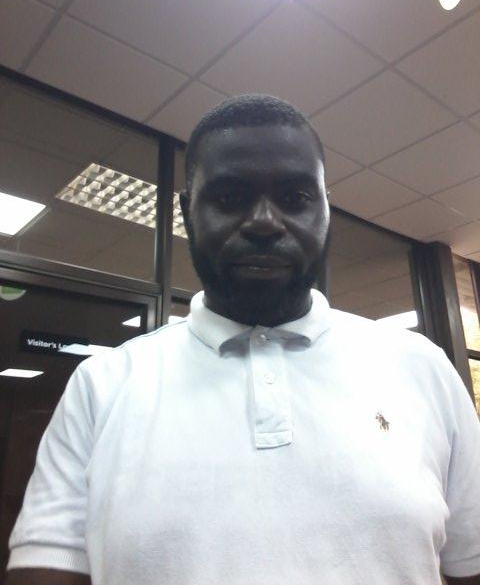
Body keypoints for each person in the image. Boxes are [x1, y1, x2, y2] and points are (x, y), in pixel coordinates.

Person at [5, 95, 480, 585]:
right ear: (188, 212)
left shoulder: (423, 369)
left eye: (295, 197)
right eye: (230, 199)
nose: (264, 222)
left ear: (327, 211)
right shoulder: (101, 385)